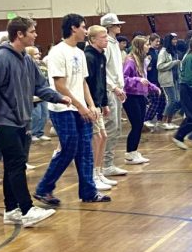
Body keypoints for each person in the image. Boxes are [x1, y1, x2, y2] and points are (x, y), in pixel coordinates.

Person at [0, 17, 64, 227]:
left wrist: (58, 97)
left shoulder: (26, 59)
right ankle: (26, 209)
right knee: (17, 163)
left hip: (21, 121)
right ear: (20, 34)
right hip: (3, 121)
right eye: (32, 31)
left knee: (13, 165)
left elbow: (39, 86)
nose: (36, 35)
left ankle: (11, 210)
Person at [34, 14, 109, 205]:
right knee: (69, 148)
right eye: (83, 27)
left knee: (85, 150)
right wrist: (79, 106)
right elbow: (59, 85)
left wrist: (91, 105)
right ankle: (44, 189)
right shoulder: (57, 52)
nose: (86, 31)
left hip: (80, 108)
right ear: (73, 28)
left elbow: (83, 82)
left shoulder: (80, 52)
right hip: (62, 109)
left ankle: (89, 192)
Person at [84, 26, 117, 191]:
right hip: (90, 105)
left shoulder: (101, 56)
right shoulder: (89, 57)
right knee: (97, 138)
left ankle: (99, 171)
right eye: (103, 37)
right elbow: (87, 84)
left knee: (103, 136)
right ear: (93, 39)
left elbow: (102, 82)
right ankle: (92, 174)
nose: (106, 39)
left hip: (98, 103)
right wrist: (91, 105)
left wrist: (104, 103)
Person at [123, 35, 160, 164]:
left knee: (139, 125)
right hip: (131, 96)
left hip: (140, 95)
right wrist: (137, 80)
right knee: (136, 124)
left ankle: (134, 151)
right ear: (140, 46)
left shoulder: (143, 60)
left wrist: (153, 87)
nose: (148, 47)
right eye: (146, 44)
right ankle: (129, 153)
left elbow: (145, 79)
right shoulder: (130, 61)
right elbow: (124, 79)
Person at [101, 13, 129, 178]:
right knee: (111, 127)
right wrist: (113, 87)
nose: (119, 27)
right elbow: (103, 70)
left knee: (116, 128)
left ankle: (108, 163)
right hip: (110, 90)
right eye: (116, 24)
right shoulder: (106, 45)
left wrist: (121, 87)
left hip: (117, 89)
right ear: (109, 26)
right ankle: (106, 164)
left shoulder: (114, 43)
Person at [157, 34, 181, 131]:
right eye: (173, 39)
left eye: (176, 39)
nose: (175, 41)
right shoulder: (163, 52)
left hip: (175, 79)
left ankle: (169, 122)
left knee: (176, 101)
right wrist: (173, 63)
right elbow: (159, 66)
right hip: (167, 80)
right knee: (172, 100)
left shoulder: (173, 51)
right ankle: (163, 121)